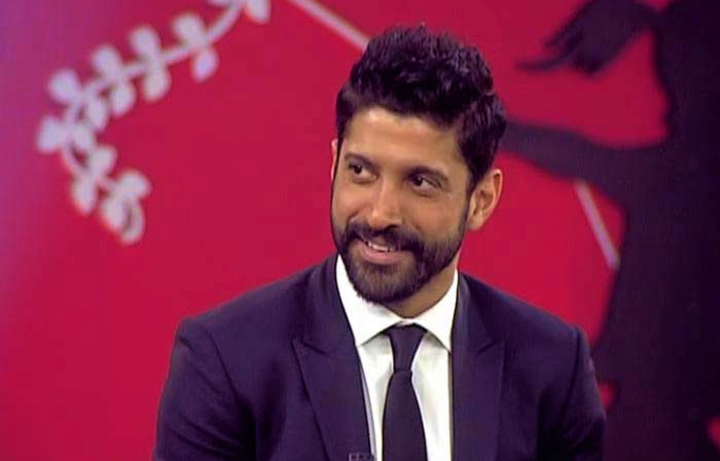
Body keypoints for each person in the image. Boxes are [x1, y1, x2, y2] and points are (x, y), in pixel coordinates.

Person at [154, 25, 605, 461]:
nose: (379, 214)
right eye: (361, 172)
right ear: (334, 164)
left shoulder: (552, 368)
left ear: (481, 200)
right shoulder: (226, 362)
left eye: (420, 182)